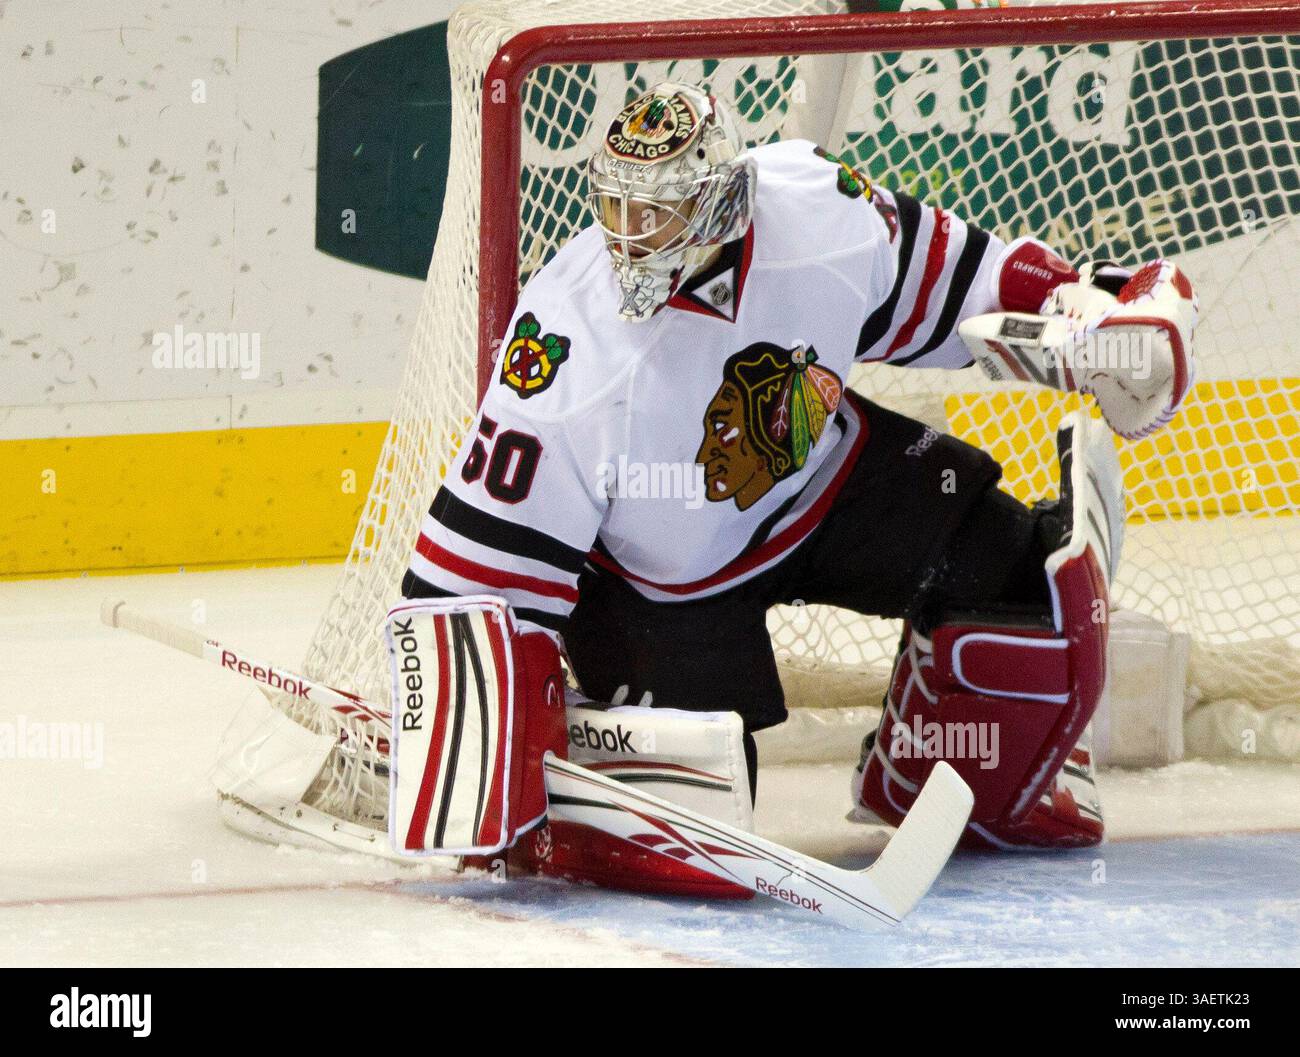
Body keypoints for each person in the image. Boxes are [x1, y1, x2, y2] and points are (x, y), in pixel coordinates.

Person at [391, 82, 1197, 884]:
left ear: (717, 199)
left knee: (1031, 593)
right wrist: (471, 729)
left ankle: (939, 775)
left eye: (657, 212)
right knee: (698, 831)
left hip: (824, 480)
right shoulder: (565, 348)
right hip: (664, 585)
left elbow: (960, 279)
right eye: (616, 206)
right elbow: (469, 583)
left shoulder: (817, 206)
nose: (628, 237)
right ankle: (606, 781)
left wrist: (1090, 306)